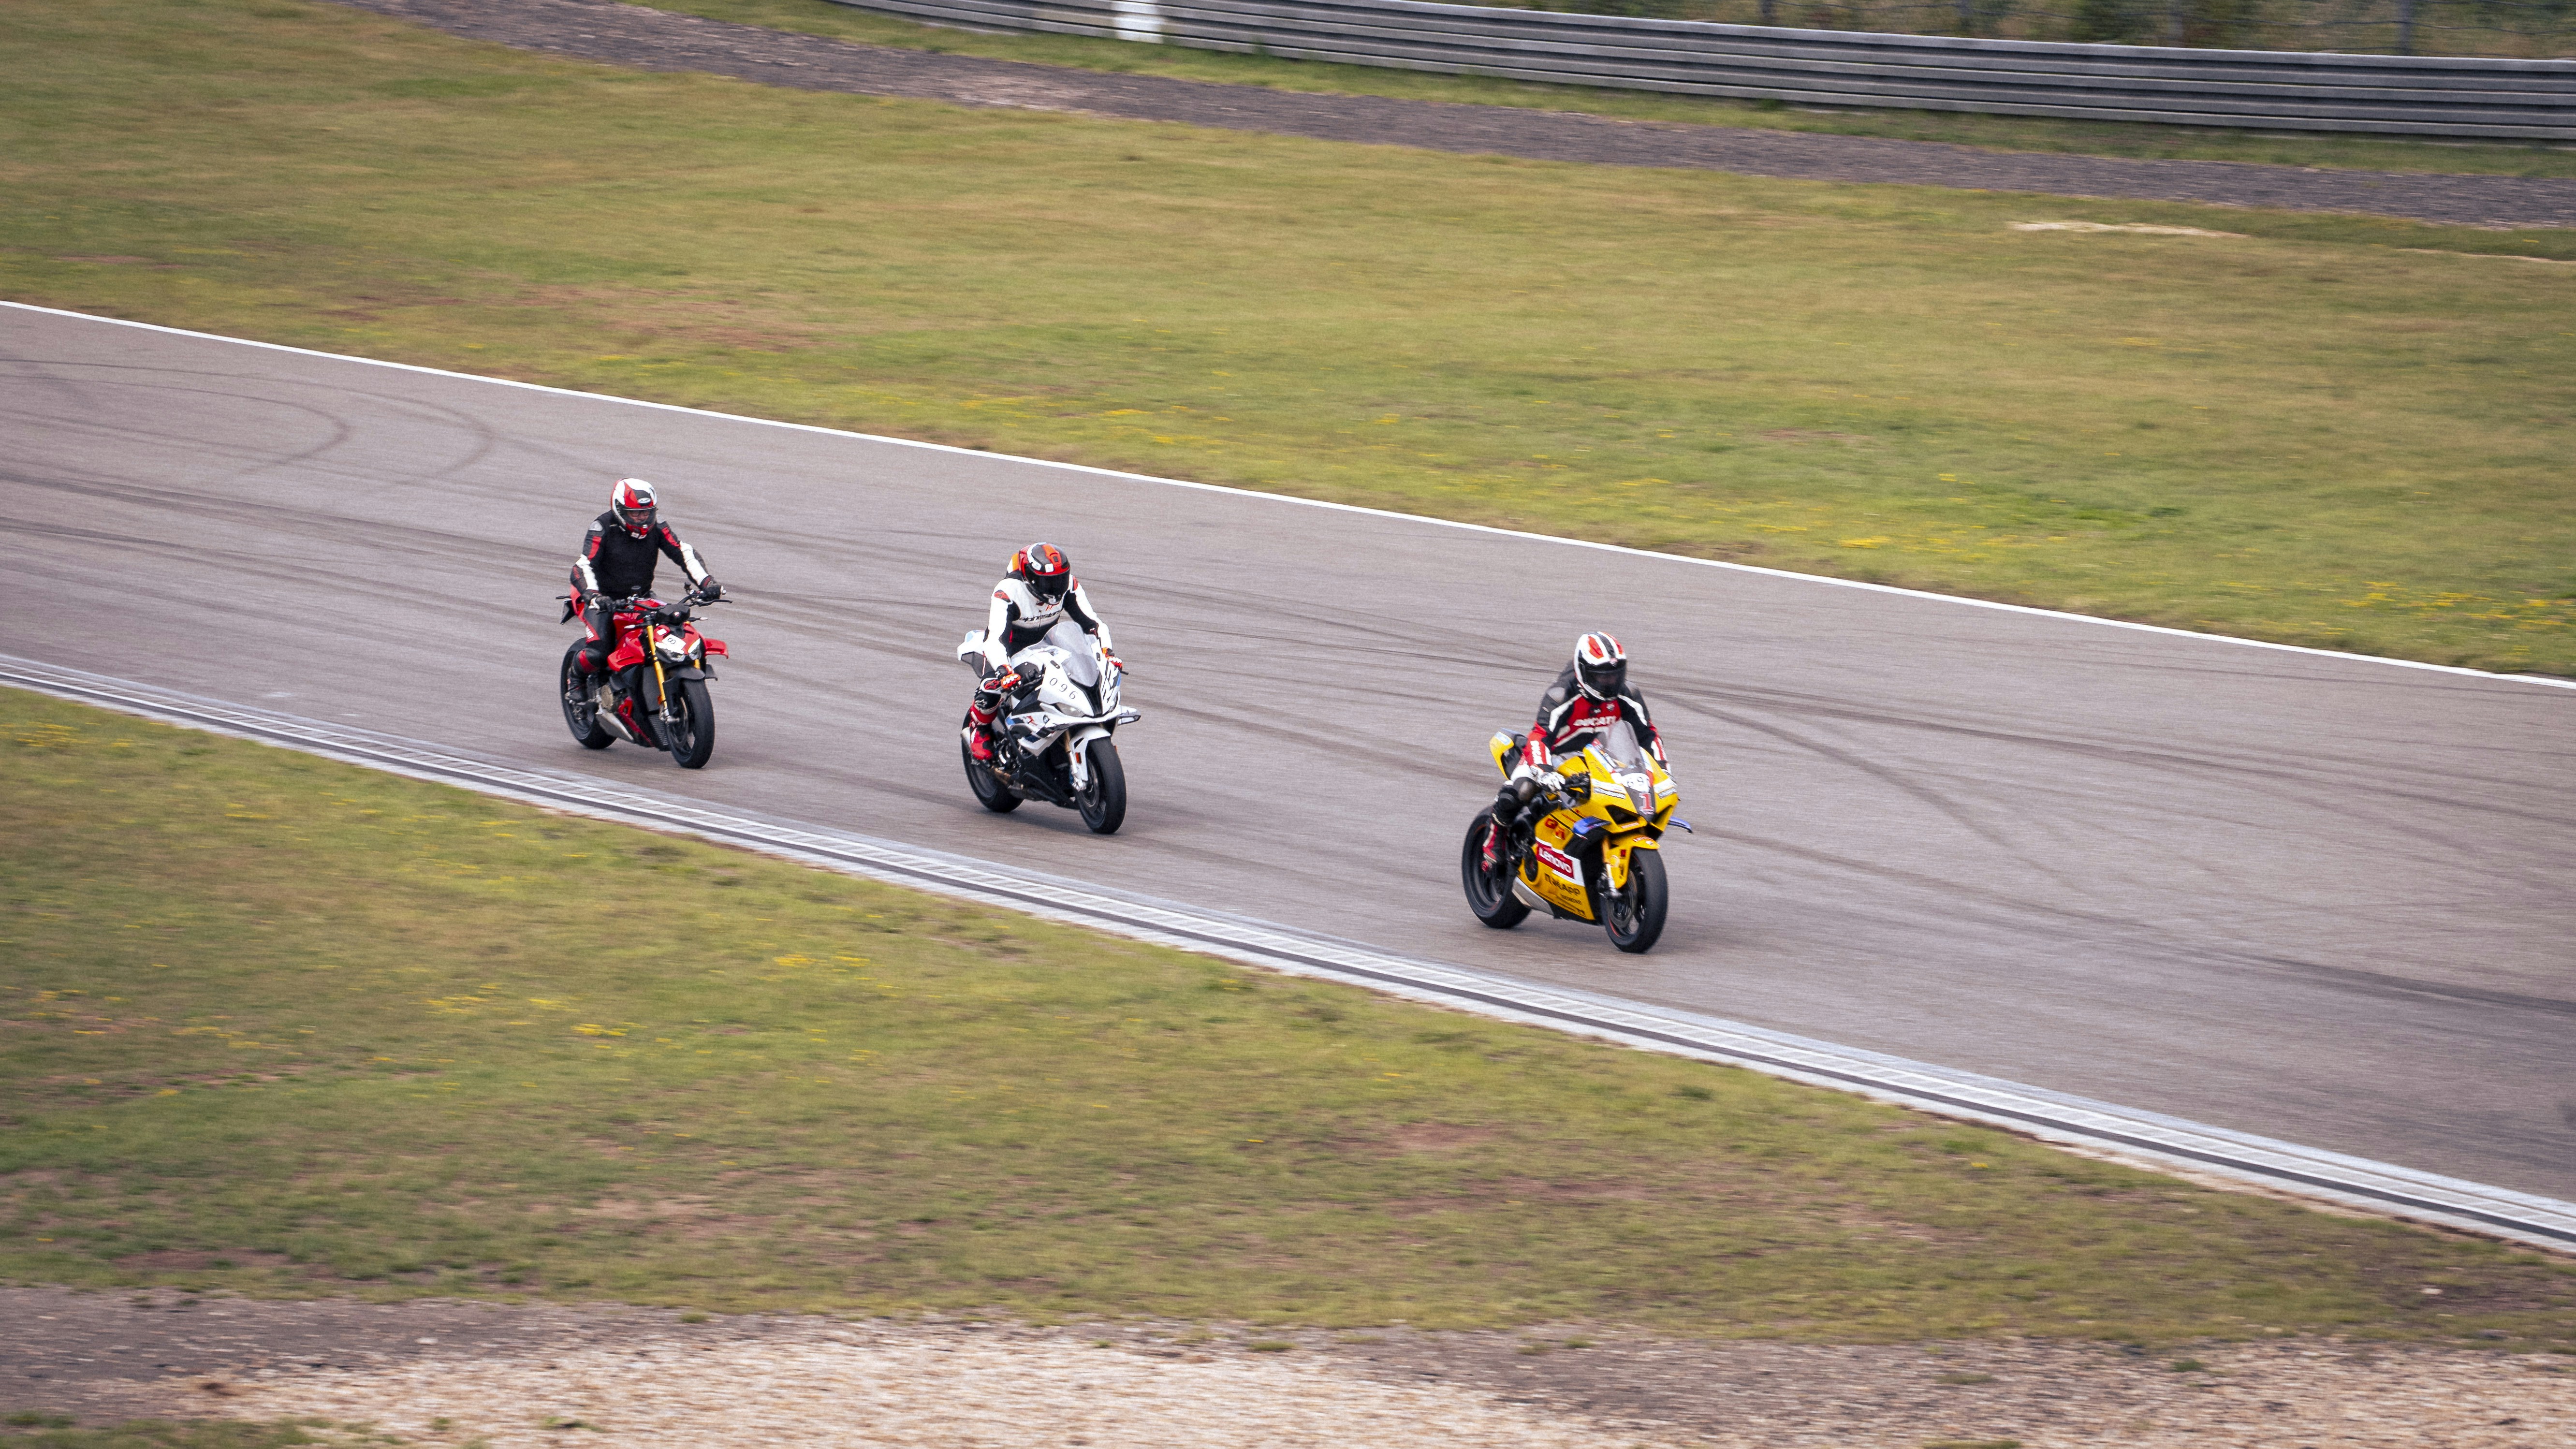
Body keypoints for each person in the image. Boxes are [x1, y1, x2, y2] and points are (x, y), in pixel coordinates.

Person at [1482, 632, 1667, 869]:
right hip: (1554, 757)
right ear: (1583, 671)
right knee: (1524, 787)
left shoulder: (1628, 695)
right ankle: (1494, 837)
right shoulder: (1561, 695)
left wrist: (1662, 769)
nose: (1610, 682)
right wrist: (1544, 771)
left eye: (1615, 675)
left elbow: (1647, 735)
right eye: (1602, 677)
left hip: (1602, 759)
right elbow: (1540, 736)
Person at [965, 542, 1120, 764]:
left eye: (1060, 578)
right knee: (992, 686)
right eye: (1049, 581)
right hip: (1008, 651)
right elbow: (995, 640)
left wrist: (1107, 651)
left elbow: (1093, 624)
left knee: (1083, 674)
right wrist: (1003, 670)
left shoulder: (1068, 586)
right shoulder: (1007, 592)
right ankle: (979, 728)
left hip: (1047, 646)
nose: (1056, 586)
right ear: (1030, 577)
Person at [568, 478, 722, 676]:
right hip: (601, 600)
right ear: (620, 510)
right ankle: (576, 679)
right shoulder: (603, 527)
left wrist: (708, 582)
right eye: (635, 513)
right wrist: (594, 595)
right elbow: (584, 565)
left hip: (641, 598)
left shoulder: (657, 527)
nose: (642, 518)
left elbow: (682, 552)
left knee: (674, 629)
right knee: (598, 654)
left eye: (647, 512)